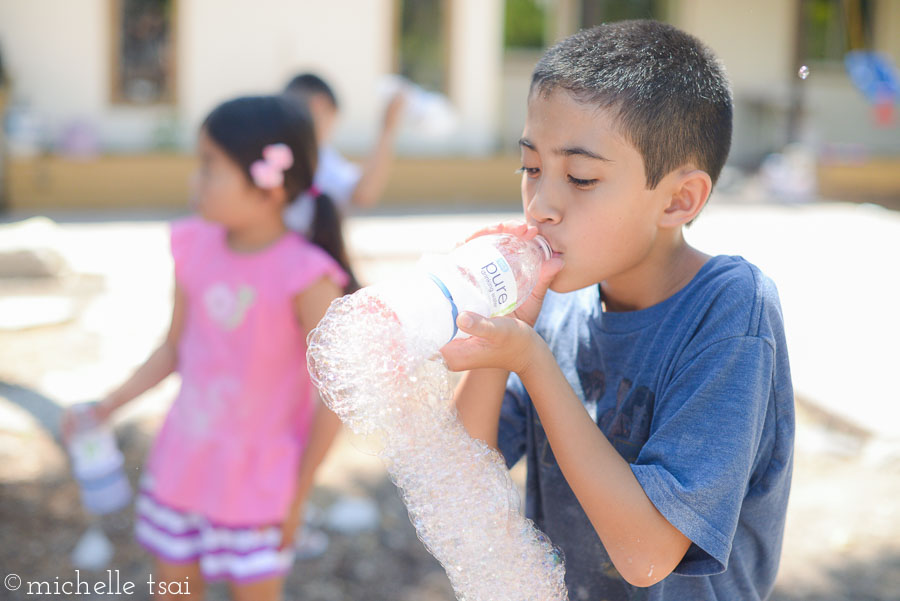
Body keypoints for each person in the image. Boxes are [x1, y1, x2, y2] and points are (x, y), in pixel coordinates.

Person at [441, 20, 794, 601]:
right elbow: (458, 483)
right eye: (531, 167)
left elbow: (647, 555)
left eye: (580, 177)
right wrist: (502, 328)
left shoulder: (730, 309)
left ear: (679, 200)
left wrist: (531, 361)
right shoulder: (555, 307)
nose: (541, 205)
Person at [63, 95, 357, 601]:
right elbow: (173, 349)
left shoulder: (307, 278)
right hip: (183, 465)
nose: (194, 181)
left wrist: (299, 491)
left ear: (268, 183)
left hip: (262, 487)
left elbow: (336, 397)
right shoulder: (194, 247)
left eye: (208, 166)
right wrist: (106, 406)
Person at [281, 72, 405, 235]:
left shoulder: (320, 155)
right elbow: (363, 194)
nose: (331, 130)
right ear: (319, 105)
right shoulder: (309, 155)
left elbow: (361, 192)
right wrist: (387, 128)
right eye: (333, 119)